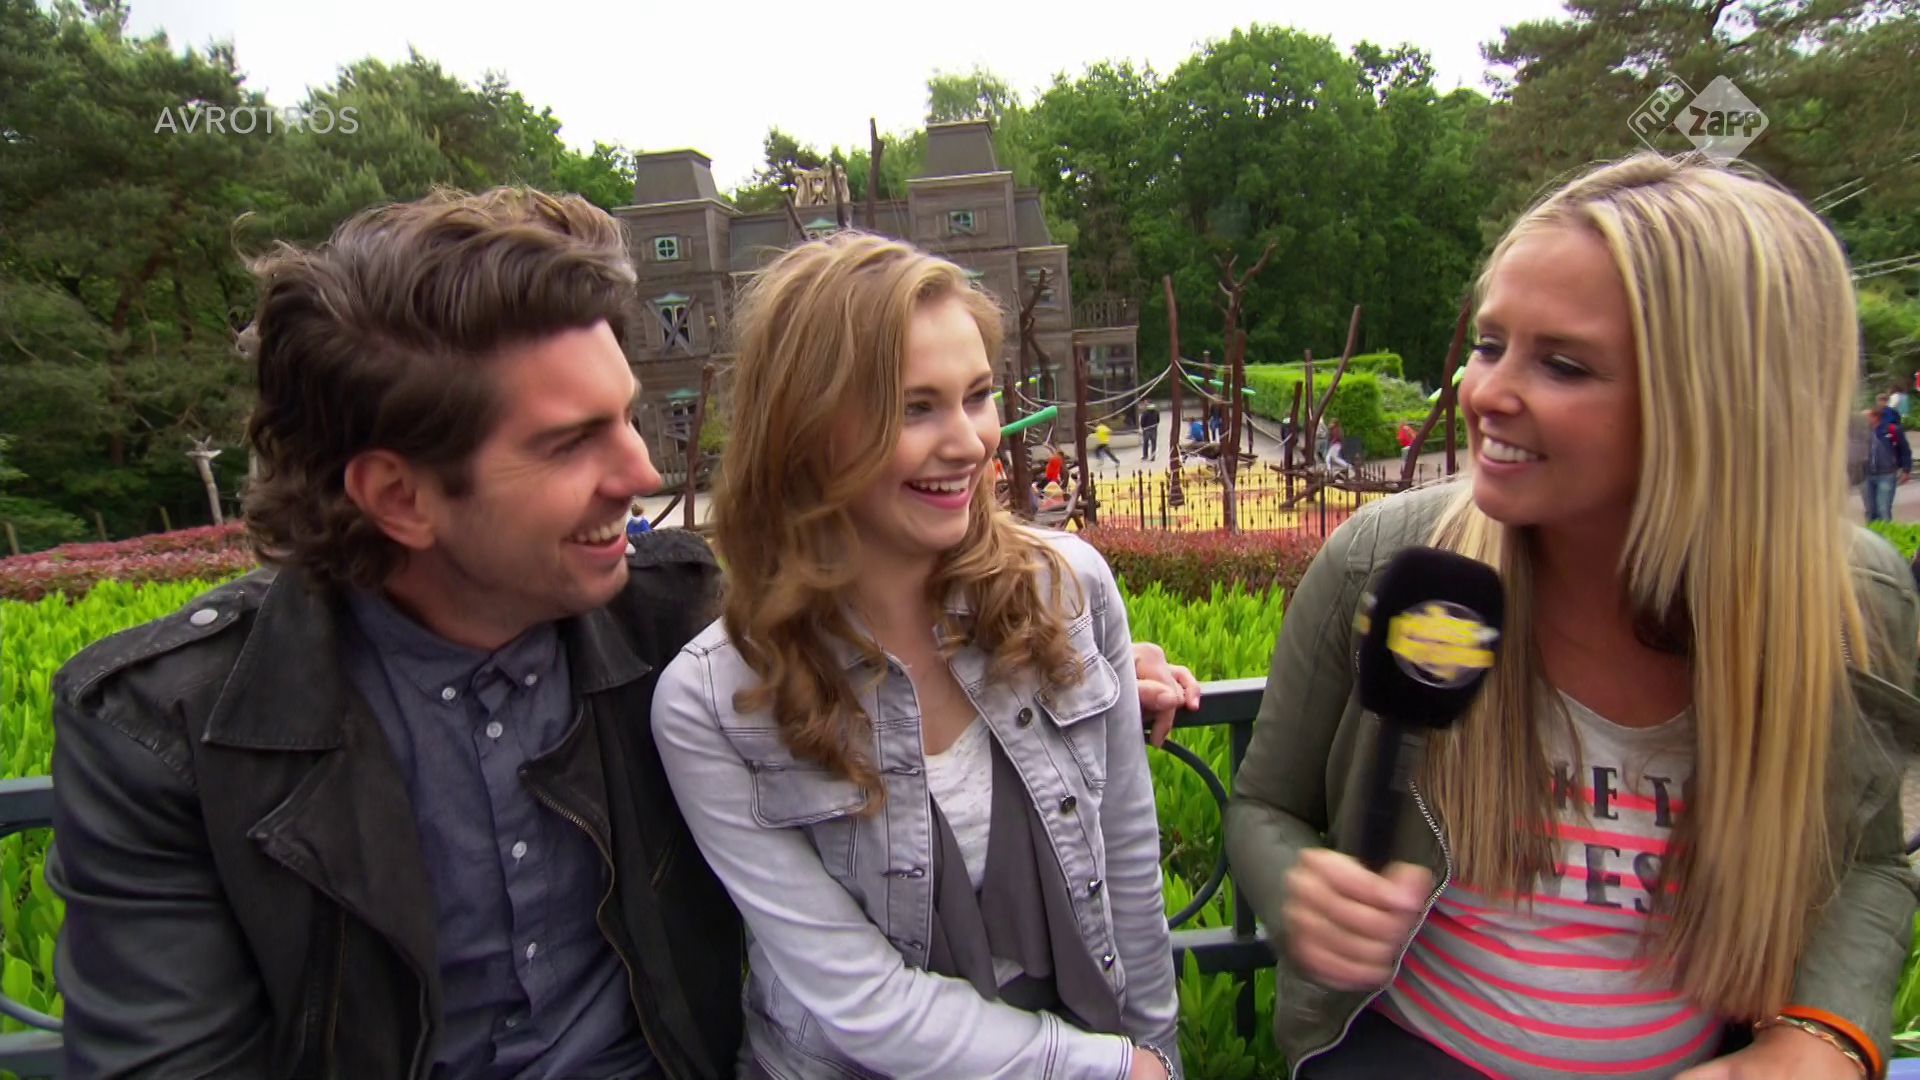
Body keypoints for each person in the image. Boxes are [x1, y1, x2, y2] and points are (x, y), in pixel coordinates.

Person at [45, 189, 1200, 1078]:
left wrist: (1083, 672)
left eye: (631, 419)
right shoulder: (174, 738)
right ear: (398, 496)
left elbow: (865, 614)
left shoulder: (671, 614)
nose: (644, 473)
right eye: (570, 443)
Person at [1226, 154, 1920, 1080]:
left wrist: (1822, 1034)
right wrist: (1296, 890)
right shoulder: (1380, 560)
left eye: (1562, 363)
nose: (1484, 393)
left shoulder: (1846, 608)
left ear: (1720, 403)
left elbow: (1869, 864)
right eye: (1489, 344)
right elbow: (1266, 805)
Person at [651, 233, 1182, 1079]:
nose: (970, 442)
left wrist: (1156, 1053)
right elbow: (859, 997)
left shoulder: (1068, 589)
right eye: (915, 408)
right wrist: (1108, 1070)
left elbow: (1127, 869)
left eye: (978, 396)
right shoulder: (716, 701)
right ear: (805, 432)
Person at [1862, 392, 1911, 523]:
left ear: (1875, 417)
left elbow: (1905, 450)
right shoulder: (1863, 432)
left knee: (1883, 509)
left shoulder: (1892, 429)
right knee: (1870, 511)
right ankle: (1872, 534)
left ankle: (1885, 534)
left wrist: (1906, 470)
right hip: (1867, 475)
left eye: (1867, 417)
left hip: (1886, 474)